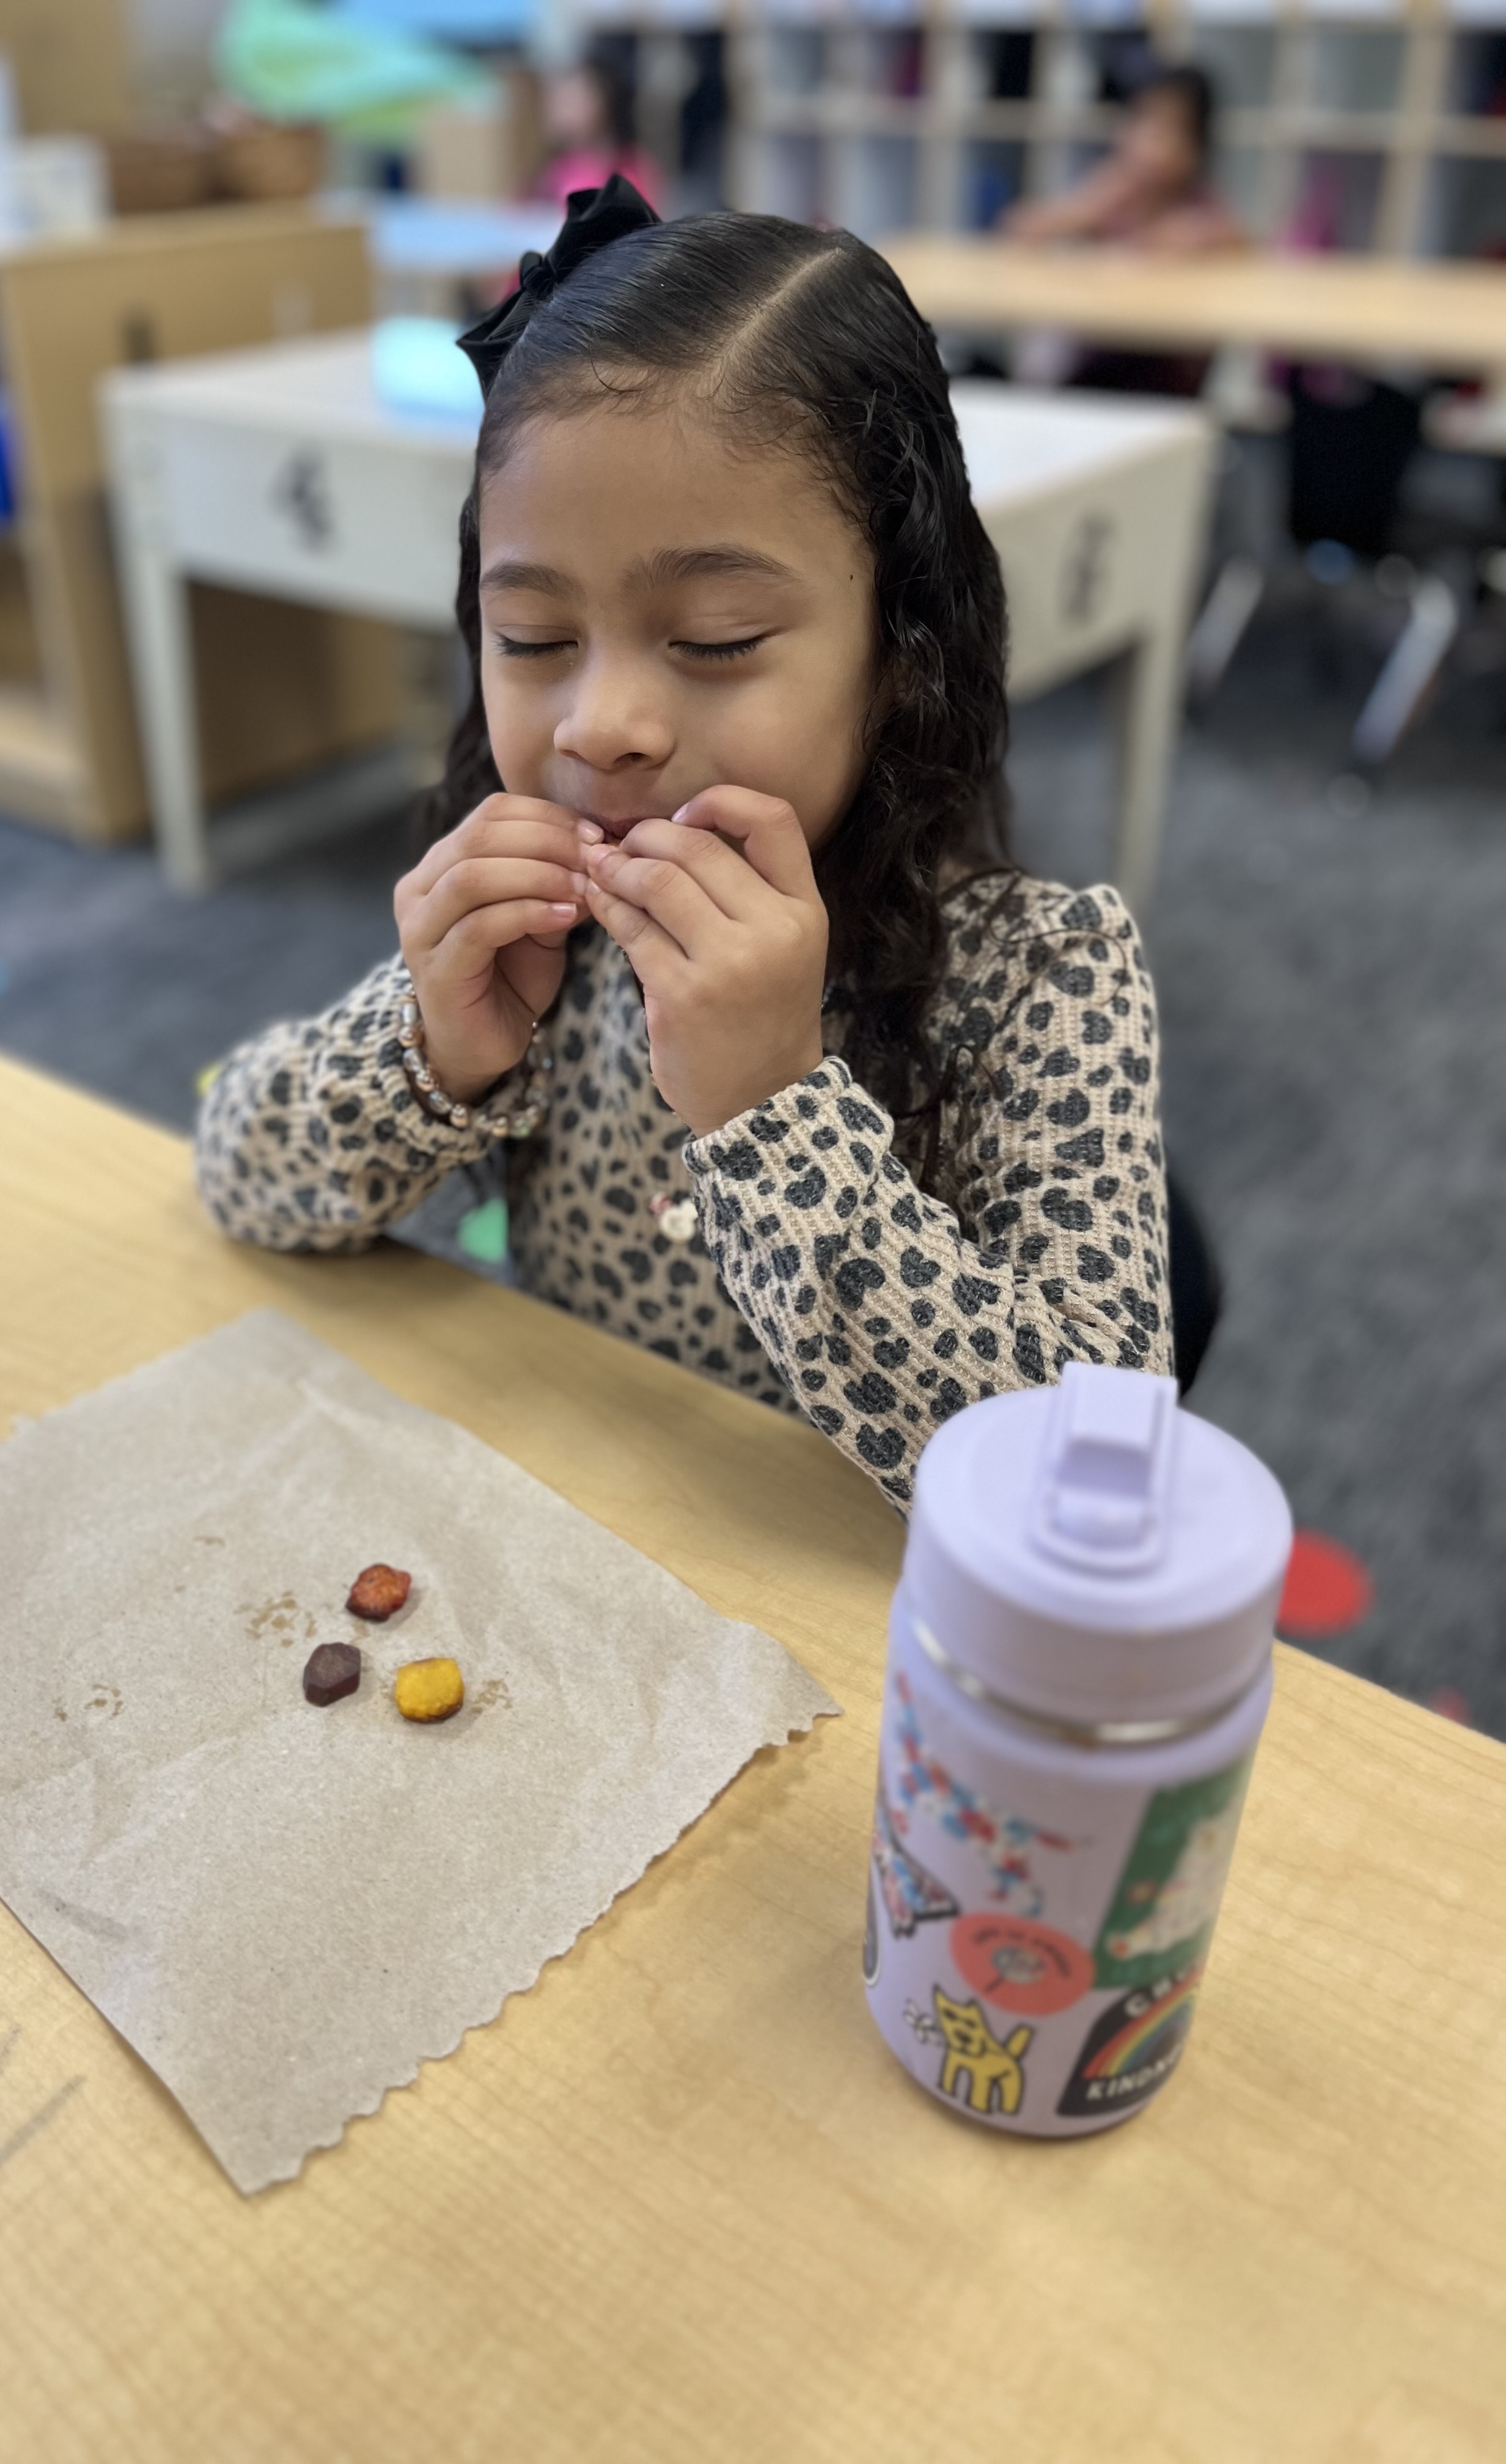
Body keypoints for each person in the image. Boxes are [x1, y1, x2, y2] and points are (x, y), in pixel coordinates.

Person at [195, 182, 1173, 1514]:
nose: (602, 726)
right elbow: (236, 1173)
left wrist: (774, 1105)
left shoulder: (1045, 977)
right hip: (575, 1558)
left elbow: (1094, 1477)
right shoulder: (547, 937)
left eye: (712, 639)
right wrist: (432, 1050)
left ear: (902, 653)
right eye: (532, 640)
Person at [1001, 64, 1243, 258]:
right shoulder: (1112, 187)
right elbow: (1023, 227)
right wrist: (1074, 215)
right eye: (1140, 123)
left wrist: (1206, 237)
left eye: (1167, 131)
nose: (1147, 144)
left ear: (1196, 148)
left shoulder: (1195, 200)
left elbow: (1242, 247)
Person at [532, 43, 665, 216]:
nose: (558, 112)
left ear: (605, 102)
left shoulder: (635, 169)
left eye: (571, 102)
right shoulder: (555, 170)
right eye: (556, 102)